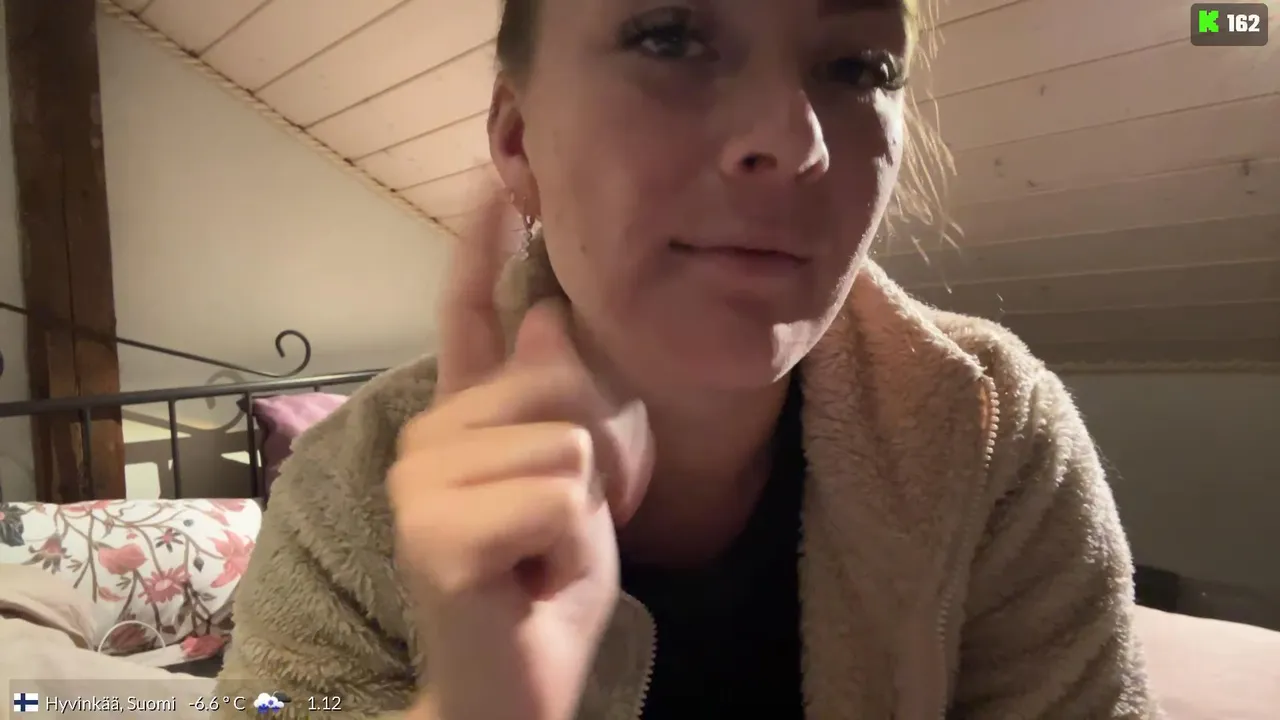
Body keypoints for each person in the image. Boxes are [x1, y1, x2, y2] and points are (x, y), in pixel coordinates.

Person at [213, 0, 1158, 717]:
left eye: (857, 66)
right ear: (517, 139)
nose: (794, 143)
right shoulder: (343, 499)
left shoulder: (992, 428)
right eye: (670, 38)